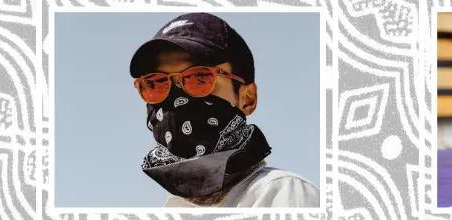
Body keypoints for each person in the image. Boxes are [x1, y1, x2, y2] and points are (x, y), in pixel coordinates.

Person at [131, 12, 320, 208]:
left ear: (247, 99)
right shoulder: (174, 207)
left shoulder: (282, 195)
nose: (175, 98)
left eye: (200, 78)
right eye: (154, 83)